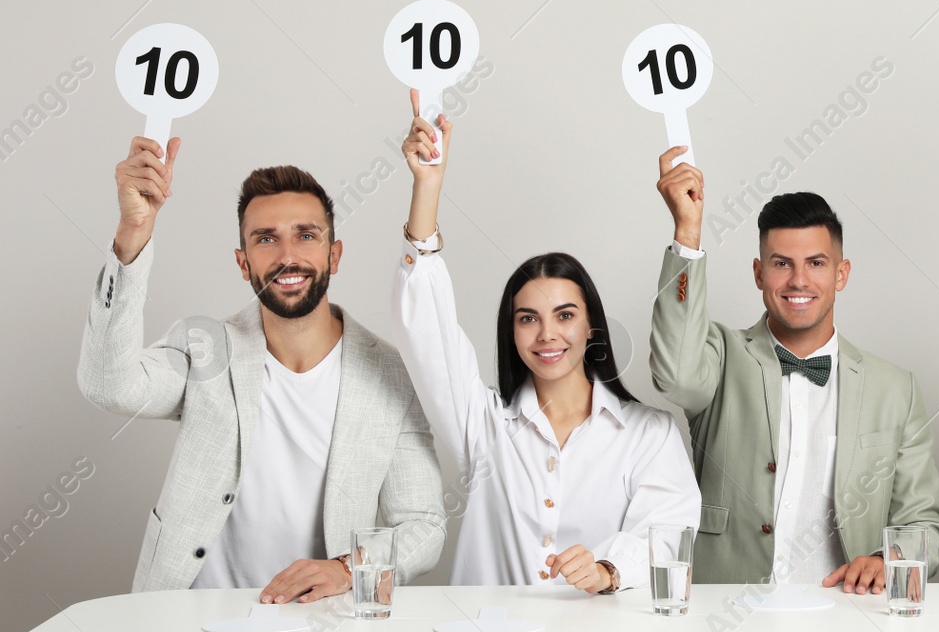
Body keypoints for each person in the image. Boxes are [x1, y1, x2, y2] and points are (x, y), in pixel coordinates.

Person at [79, 137, 445, 601]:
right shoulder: (204, 348)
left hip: (322, 622)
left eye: (306, 235)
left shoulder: (391, 373)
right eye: (266, 239)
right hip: (190, 618)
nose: (287, 256)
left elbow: (423, 525)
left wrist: (349, 569)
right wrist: (134, 231)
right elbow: (108, 384)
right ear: (243, 262)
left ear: (334, 255)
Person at [391, 93, 699, 590]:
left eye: (565, 315)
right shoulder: (483, 424)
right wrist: (427, 188)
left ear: (591, 328)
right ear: (511, 334)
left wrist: (608, 569)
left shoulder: (648, 434)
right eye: (528, 318)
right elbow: (425, 330)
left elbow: (668, 533)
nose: (547, 334)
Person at [650, 148, 939, 591]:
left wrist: (892, 558)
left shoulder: (896, 389)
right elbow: (674, 374)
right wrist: (688, 233)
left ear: (841, 274)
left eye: (816, 263)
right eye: (781, 264)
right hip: (726, 613)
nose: (798, 281)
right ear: (758, 273)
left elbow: (925, 523)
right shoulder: (719, 354)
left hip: (846, 617)